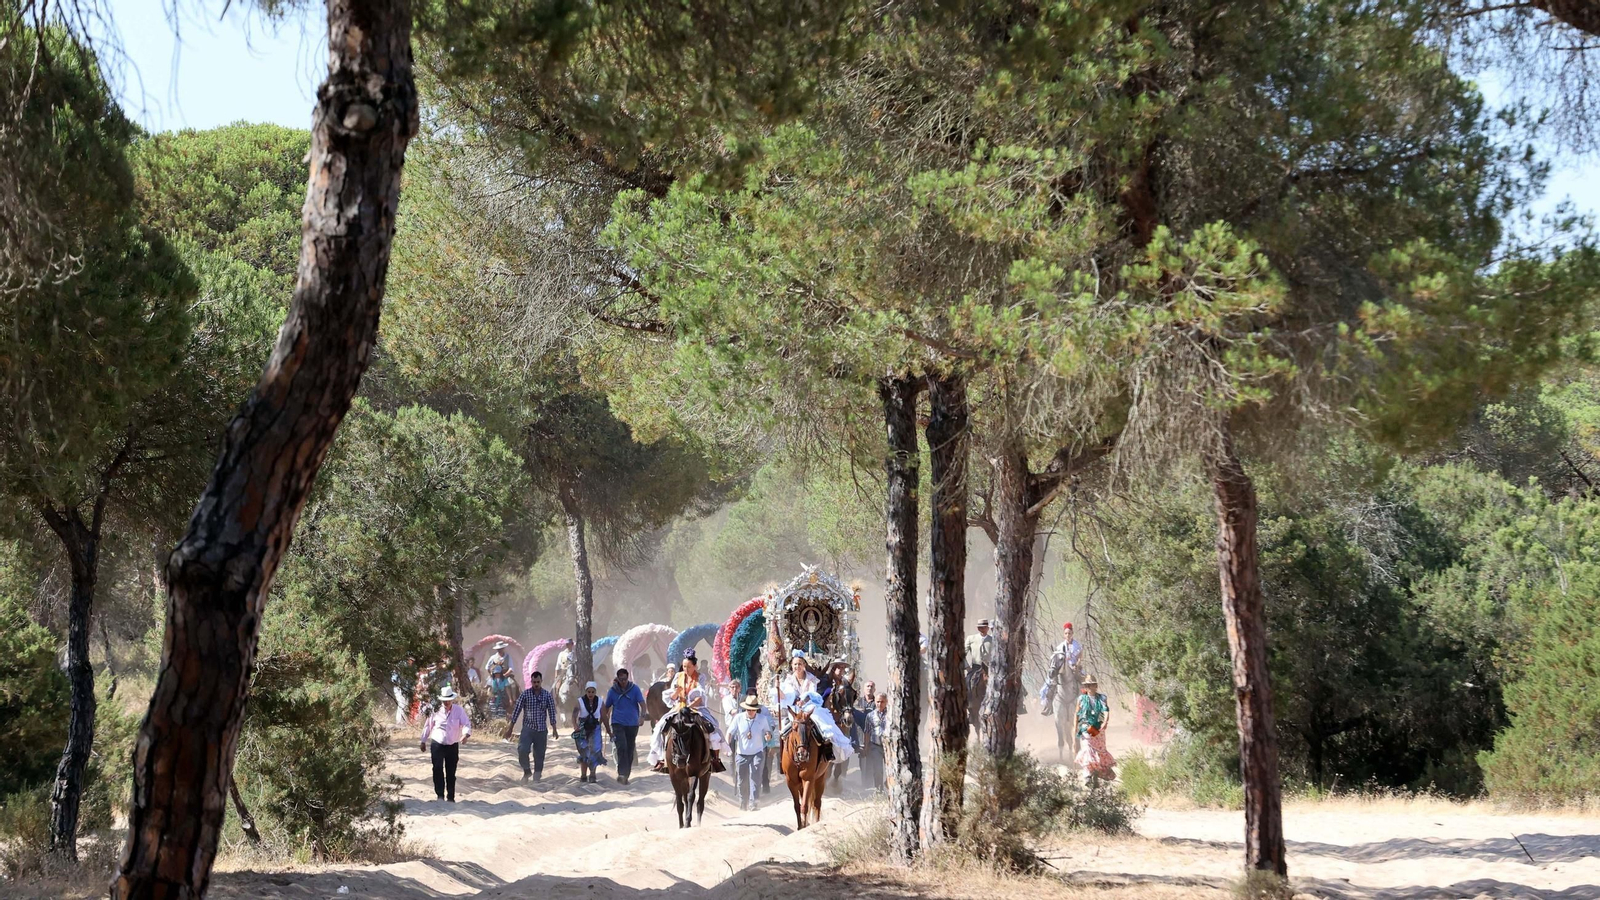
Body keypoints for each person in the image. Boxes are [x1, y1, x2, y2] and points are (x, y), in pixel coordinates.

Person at [649, 650, 726, 772]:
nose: (686, 669)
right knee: (661, 728)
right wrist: (676, 692)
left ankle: (715, 759)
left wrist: (689, 706)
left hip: (696, 709)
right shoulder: (678, 677)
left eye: (689, 667)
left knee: (712, 728)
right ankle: (662, 759)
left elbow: (699, 697)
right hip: (678, 708)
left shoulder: (700, 677)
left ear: (695, 666)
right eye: (684, 666)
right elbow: (671, 698)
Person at [504, 670, 559, 782]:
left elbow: (552, 713)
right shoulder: (525, 694)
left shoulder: (547, 695)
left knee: (539, 755)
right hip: (528, 729)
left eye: (538, 682)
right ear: (531, 682)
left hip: (541, 730)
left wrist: (554, 729)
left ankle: (537, 776)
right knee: (522, 750)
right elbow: (516, 711)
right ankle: (526, 770)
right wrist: (510, 729)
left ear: (541, 681)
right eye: (534, 682)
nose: (536, 684)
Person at [420, 686, 471, 802]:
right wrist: (423, 740)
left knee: (451, 771)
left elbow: (466, 724)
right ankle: (440, 795)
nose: (446, 702)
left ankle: (451, 796)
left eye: (448, 700)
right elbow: (428, 725)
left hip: (452, 744)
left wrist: (465, 735)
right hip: (437, 743)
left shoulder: (459, 710)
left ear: (452, 699)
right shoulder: (435, 710)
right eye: (444, 700)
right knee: (437, 768)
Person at [784, 686, 855, 763]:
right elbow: (786, 697)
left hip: (809, 707)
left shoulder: (810, 681)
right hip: (794, 709)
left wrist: (804, 701)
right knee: (787, 726)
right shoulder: (790, 682)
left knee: (821, 722)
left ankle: (827, 749)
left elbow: (814, 695)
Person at [728, 693, 773, 811]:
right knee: (741, 780)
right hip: (741, 753)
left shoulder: (762, 719)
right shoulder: (738, 718)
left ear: (756, 710)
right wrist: (728, 746)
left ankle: (754, 803)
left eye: (753, 710)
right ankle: (743, 802)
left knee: (755, 778)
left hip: (757, 752)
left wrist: (768, 736)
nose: (751, 712)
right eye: (748, 709)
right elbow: (730, 732)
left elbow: (768, 731)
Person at [602, 667, 647, 784]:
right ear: (617, 679)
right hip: (617, 723)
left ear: (628, 678)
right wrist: (603, 720)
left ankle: (626, 774)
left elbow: (642, 704)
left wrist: (642, 717)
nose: (623, 682)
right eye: (621, 679)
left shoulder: (634, 689)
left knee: (630, 748)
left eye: (625, 679)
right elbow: (606, 707)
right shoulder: (612, 691)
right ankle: (621, 773)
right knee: (621, 747)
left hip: (632, 723)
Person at [1074, 674, 1116, 782]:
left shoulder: (1102, 698)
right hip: (1085, 726)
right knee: (1087, 747)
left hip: (1097, 727)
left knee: (1099, 751)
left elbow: (1105, 710)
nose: (1088, 687)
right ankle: (1087, 774)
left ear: (1095, 686)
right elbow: (1077, 714)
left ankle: (1098, 772)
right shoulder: (1081, 699)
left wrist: (1105, 722)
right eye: (1086, 685)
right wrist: (1075, 728)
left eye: (1091, 685)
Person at [1041, 622, 1083, 716]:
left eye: (1069, 633)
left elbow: (1080, 657)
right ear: (1064, 634)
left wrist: (1077, 665)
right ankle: (1048, 706)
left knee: (1085, 683)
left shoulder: (1077, 645)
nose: (1068, 635)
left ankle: (1086, 707)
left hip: (1075, 668)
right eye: (1066, 633)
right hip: (1062, 668)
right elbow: (1056, 658)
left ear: (1072, 633)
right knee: (1050, 684)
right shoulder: (1060, 647)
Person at [573, 681, 606, 782]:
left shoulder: (600, 701)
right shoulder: (580, 701)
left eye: (592, 692)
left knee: (594, 751)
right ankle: (583, 775)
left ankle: (592, 774)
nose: (590, 694)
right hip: (583, 728)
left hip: (595, 728)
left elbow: (604, 716)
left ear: (595, 692)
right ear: (586, 691)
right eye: (589, 692)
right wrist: (575, 726)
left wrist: (608, 729)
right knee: (584, 751)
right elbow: (574, 715)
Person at [861, 692, 888, 791]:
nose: (880, 704)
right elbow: (867, 732)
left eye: (882, 702)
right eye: (878, 702)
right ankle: (879, 790)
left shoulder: (891, 714)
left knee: (891, 769)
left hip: (888, 747)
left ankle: (889, 786)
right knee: (877, 770)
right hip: (876, 746)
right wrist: (866, 746)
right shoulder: (870, 715)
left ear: (886, 702)